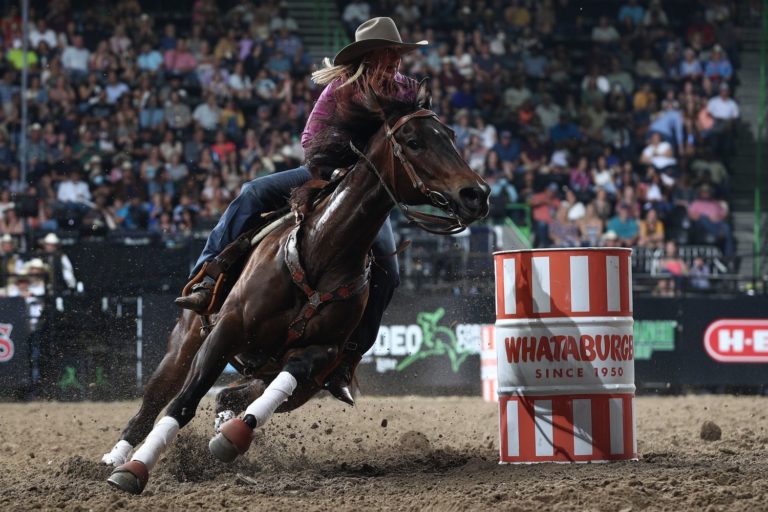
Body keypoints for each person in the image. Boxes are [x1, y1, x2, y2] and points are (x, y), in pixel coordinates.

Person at [175, 17, 427, 402]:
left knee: (388, 272)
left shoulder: (408, 92)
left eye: (396, 53)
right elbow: (310, 139)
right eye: (386, 53)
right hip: (322, 175)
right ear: (368, 56)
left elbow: (421, 135)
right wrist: (347, 161)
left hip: (370, 195)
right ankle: (207, 276)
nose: (393, 60)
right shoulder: (340, 91)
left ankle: (346, 360)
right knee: (252, 193)